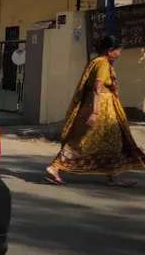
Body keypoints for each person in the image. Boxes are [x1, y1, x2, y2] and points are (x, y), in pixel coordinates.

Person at [45, 34, 145, 186]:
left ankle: (112, 176)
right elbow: (97, 87)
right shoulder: (103, 63)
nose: (119, 53)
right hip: (102, 109)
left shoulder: (96, 61)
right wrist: (96, 112)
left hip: (101, 108)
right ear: (110, 50)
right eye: (118, 50)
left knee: (111, 143)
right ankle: (55, 167)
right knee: (84, 141)